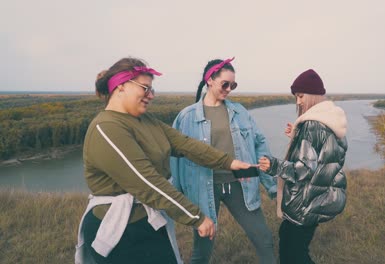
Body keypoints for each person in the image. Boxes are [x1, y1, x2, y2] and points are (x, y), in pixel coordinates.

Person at [74, 57, 252, 264]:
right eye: (145, 88)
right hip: (119, 229)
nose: (151, 95)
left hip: (147, 221)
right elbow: (147, 182)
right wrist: (196, 217)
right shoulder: (107, 127)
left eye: (152, 90)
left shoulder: (146, 121)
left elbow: (186, 144)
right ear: (121, 86)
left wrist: (229, 162)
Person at [170, 57, 277, 264]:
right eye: (225, 84)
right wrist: (177, 193)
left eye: (233, 85)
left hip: (240, 184)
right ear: (209, 80)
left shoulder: (240, 112)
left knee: (264, 240)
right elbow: (176, 156)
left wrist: (271, 184)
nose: (229, 89)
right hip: (203, 187)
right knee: (202, 250)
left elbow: (259, 144)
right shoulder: (186, 117)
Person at [258, 69, 348, 264]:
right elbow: (328, 152)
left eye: (300, 96)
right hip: (318, 199)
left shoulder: (312, 125)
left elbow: (304, 170)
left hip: (305, 202)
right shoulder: (330, 120)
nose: (298, 102)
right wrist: (297, 137)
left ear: (313, 95)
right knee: (293, 245)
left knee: (293, 254)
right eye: (296, 97)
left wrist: (273, 165)